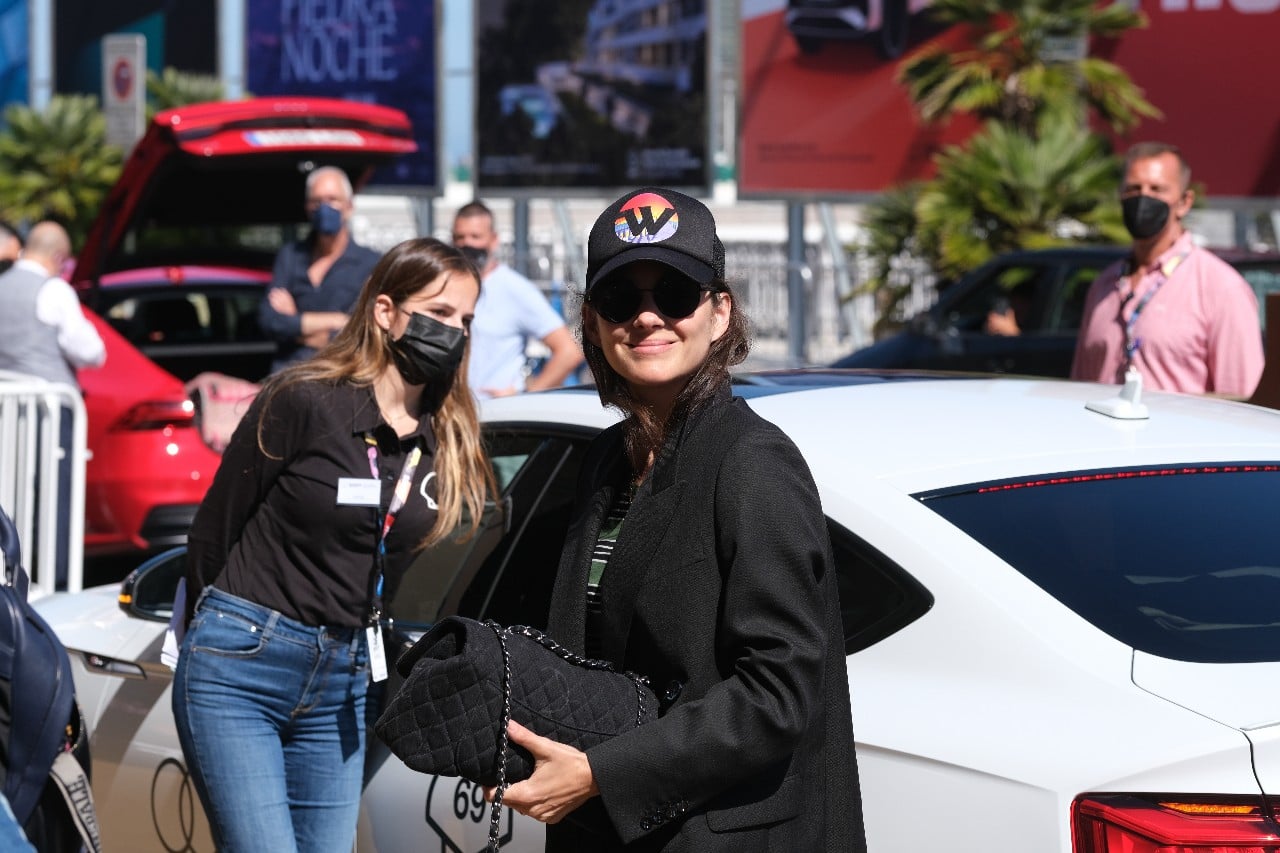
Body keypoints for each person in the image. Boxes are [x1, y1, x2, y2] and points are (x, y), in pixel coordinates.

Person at [492, 188, 865, 851]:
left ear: (720, 313)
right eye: (620, 299)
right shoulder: (608, 456)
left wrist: (601, 773)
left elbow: (776, 693)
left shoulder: (754, 464)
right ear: (591, 320)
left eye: (674, 292)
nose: (646, 316)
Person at [173, 238, 495, 852]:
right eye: (438, 312)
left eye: (466, 320)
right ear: (384, 312)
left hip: (348, 678)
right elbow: (213, 534)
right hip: (243, 661)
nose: (453, 332)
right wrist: (208, 632)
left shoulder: (447, 437)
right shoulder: (303, 400)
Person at [1071, 141, 1263, 398]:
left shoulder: (1221, 288)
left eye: (1157, 189)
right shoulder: (1103, 287)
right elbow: (1079, 388)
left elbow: (1243, 401)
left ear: (1184, 202)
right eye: (1133, 189)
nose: (1143, 199)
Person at [0, 220, 105, 589]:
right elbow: (91, 351)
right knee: (55, 501)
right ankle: (55, 584)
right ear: (60, 257)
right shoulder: (54, 290)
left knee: (10, 496)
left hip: (7, 412)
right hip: (49, 412)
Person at [452, 200, 584, 397]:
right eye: (459, 237)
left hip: (493, 417)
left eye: (475, 236)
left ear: (493, 240)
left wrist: (525, 396)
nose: (467, 244)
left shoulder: (515, 289)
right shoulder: (446, 285)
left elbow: (569, 351)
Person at [259, 165, 381, 373]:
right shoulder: (290, 256)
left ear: (349, 206)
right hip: (286, 378)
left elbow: (363, 332)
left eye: (333, 199)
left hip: (340, 379)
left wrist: (296, 320)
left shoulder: (371, 263)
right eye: (317, 201)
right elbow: (270, 321)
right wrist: (335, 320)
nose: (324, 208)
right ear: (308, 207)